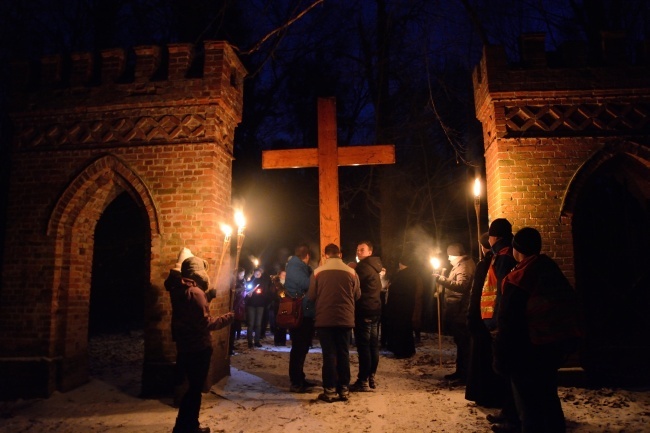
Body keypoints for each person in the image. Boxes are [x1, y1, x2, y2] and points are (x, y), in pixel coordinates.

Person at [493, 227, 581, 433]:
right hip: (553, 347)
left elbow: (508, 322)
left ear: (517, 249)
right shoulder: (549, 269)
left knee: (529, 406)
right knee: (548, 398)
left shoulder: (519, 278)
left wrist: (500, 356)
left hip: (526, 350)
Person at [165, 248, 234, 433]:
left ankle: (185, 425)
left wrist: (208, 296)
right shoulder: (195, 292)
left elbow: (192, 313)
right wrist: (229, 317)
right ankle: (187, 427)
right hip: (198, 347)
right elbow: (206, 323)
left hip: (186, 346)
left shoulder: (181, 289)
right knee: (195, 390)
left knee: (192, 389)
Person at [307, 243, 361, 403]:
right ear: (340, 254)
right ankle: (344, 388)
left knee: (329, 355)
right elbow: (357, 295)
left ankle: (329, 390)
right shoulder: (352, 272)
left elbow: (311, 295)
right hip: (345, 319)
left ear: (325, 255)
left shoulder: (317, 273)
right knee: (344, 353)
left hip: (325, 320)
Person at [480, 218, 520, 433]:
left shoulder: (504, 257)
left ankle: (512, 416)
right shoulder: (502, 254)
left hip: (500, 323)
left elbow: (503, 292)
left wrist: (497, 321)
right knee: (504, 370)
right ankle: (508, 411)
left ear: (494, 236)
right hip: (497, 321)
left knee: (507, 370)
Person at [465, 233, 503, 407]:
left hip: (484, 319)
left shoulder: (486, 264)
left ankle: (485, 395)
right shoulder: (499, 261)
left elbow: (477, 293)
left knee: (483, 360)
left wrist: (471, 317)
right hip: (494, 319)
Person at [434, 242, 476, 383]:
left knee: (464, 344)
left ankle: (465, 375)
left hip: (461, 311)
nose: (449, 259)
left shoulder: (464, 266)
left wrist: (441, 280)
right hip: (457, 310)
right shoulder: (460, 265)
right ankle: (460, 372)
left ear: (456, 255)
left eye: (450, 257)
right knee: (460, 343)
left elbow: (462, 286)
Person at [350, 240, 383, 392]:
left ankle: (363, 380)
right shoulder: (375, 267)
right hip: (375, 309)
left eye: (362, 250)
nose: (359, 252)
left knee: (364, 346)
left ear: (370, 252)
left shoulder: (363, 268)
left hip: (364, 310)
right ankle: (371, 377)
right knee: (373, 345)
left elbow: (353, 287)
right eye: (357, 249)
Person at [284, 245, 317, 392]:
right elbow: (306, 284)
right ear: (307, 256)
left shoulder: (296, 266)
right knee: (299, 346)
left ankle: (299, 377)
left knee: (302, 346)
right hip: (300, 312)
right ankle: (296, 381)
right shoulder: (296, 267)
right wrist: (315, 274)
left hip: (304, 311)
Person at [384, 253, 424, 358]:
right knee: (406, 329)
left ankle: (401, 351)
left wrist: (390, 287)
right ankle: (408, 349)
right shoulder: (413, 274)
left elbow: (396, 289)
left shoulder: (402, 275)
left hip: (399, 307)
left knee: (400, 329)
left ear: (401, 263)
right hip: (408, 305)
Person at [245, 267, 271, 348]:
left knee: (258, 324)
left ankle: (257, 341)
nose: (257, 275)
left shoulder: (263, 283)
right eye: (256, 274)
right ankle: (249, 341)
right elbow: (246, 293)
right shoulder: (250, 282)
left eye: (259, 274)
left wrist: (261, 294)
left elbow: (266, 293)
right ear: (254, 274)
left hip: (260, 305)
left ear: (261, 274)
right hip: (251, 305)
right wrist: (249, 294)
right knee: (251, 324)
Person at [229, 267, 247, 355]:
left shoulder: (242, 282)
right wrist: (241, 290)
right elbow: (232, 293)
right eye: (241, 274)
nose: (242, 276)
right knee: (232, 328)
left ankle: (232, 345)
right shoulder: (233, 282)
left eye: (243, 275)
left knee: (236, 327)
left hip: (240, 306)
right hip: (235, 306)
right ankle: (229, 347)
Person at [270, 270, 288, 346]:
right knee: (277, 322)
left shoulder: (288, 283)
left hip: (286, 304)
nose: (284, 276)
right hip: (277, 304)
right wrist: (278, 296)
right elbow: (272, 293)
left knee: (284, 322)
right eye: (283, 274)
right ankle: (277, 340)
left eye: (285, 275)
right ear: (279, 275)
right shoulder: (275, 283)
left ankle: (283, 341)